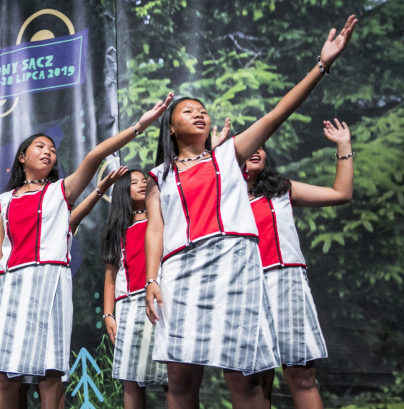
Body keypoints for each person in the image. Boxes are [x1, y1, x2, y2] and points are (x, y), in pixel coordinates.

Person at [143, 16, 357, 409]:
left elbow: (278, 113)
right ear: (170, 128)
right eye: (188, 111)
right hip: (179, 272)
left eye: (203, 110)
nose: (199, 114)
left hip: (233, 266)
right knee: (180, 380)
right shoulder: (159, 175)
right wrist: (151, 279)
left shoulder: (229, 155)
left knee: (245, 379)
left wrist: (323, 65)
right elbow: (154, 230)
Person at [0, 98, 173, 409]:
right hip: (12, 286)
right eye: (40, 147)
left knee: (50, 375)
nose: (48, 152)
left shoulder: (61, 190)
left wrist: (140, 126)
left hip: (51, 281)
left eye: (52, 150)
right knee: (5, 375)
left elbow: (95, 155)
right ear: (21, 157)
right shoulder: (3, 201)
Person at [247, 119, 353, 409]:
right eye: (247, 146)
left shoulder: (281, 190)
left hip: (285, 282)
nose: (255, 149)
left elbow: (340, 194)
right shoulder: (222, 201)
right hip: (244, 289)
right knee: (255, 381)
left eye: (260, 146)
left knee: (300, 374)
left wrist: (343, 146)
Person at [102, 169, 168, 408]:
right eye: (134, 182)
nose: (142, 184)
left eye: (145, 181)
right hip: (128, 306)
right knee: (131, 378)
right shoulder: (117, 231)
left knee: (170, 375)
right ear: (121, 191)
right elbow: (110, 278)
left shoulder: (162, 221)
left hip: (161, 302)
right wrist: (109, 314)